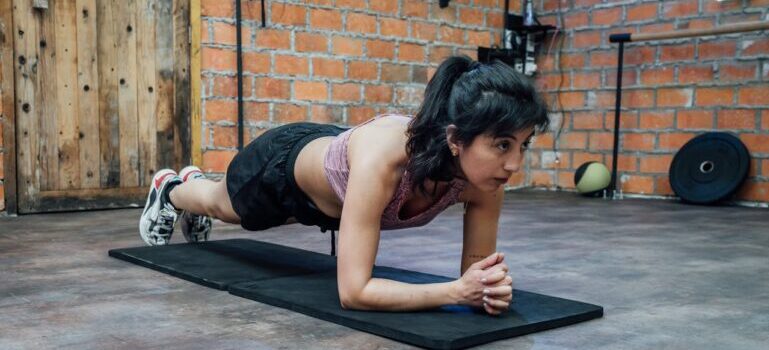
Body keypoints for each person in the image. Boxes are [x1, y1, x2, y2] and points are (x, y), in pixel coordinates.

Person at [139, 55, 550, 315]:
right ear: (455, 139)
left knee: (224, 204)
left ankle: (190, 186)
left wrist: (487, 291)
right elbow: (354, 292)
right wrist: (456, 293)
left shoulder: (485, 179)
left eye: (522, 145)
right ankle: (174, 187)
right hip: (283, 168)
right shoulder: (386, 161)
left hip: (338, 172)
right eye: (501, 144)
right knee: (221, 205)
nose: (514, 163)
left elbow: (473, 278)